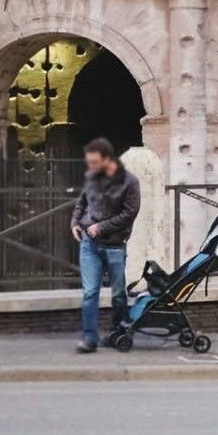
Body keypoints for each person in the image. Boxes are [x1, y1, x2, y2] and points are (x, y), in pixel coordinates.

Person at [70, 137, 141, 354]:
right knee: (90, 292)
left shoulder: (130, 182)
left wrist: (102, 227)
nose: (90, 167)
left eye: (94, 162)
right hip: (89, 244)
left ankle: (118, 332)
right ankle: (90, 339)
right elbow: (82, 202)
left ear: (107, 159)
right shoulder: (92, 177)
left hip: (115, 245)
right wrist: (75, 222)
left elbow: (130, 213)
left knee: (118, 293)